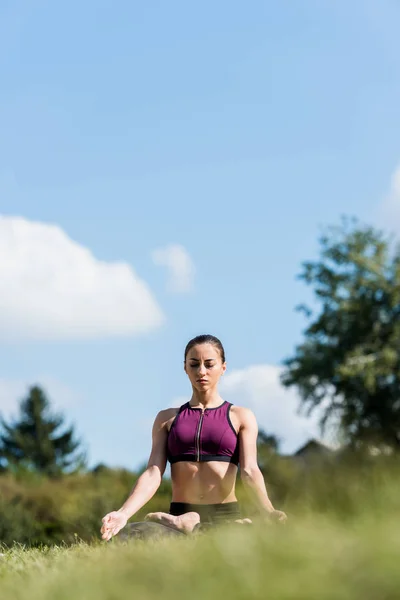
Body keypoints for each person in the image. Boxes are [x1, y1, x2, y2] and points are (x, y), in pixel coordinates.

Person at [101, 334, 287, 541]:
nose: (201, 372)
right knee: (128, 536)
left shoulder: (240, 416)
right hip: (178, 515)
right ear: (185, 368)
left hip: (225, 516)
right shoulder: (167, 419)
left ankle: (197, 528)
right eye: (194, 364)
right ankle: (193, 527)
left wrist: (268, 511)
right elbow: (154, 472)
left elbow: (250, 470)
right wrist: (123, 513)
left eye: (209, 364)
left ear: (223, 367)